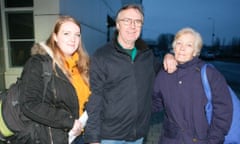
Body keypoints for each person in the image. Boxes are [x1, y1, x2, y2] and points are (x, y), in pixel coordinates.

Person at [84, 4, 176, 144]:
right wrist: (93, 138)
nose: (133, 26)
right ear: (118, 25)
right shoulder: (102, 56)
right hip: (109, 137)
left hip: (138, 136)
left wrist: (169, 56)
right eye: (127, 20)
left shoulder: (147, 56)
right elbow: (95, 99)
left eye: (138, 22)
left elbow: (166, 76)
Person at [152, 27, 233, 143]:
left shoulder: (210, 74)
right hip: (170, 140)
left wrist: (214, 140)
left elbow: (223, 110)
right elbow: (156, 102)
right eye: (179, 43)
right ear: (173, 47)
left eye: (189, 45)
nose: (182, 48)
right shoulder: (164, 74)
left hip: (201, 140)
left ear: (195, 51)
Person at [19, 15, 90, 144]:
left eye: (77, 35)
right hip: (55, 138)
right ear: (55, 36)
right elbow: (29, 104)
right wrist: (68, 121)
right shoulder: (39, 63)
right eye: (66, 33)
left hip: (82, 136)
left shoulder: (82, 66)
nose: (73, 39)